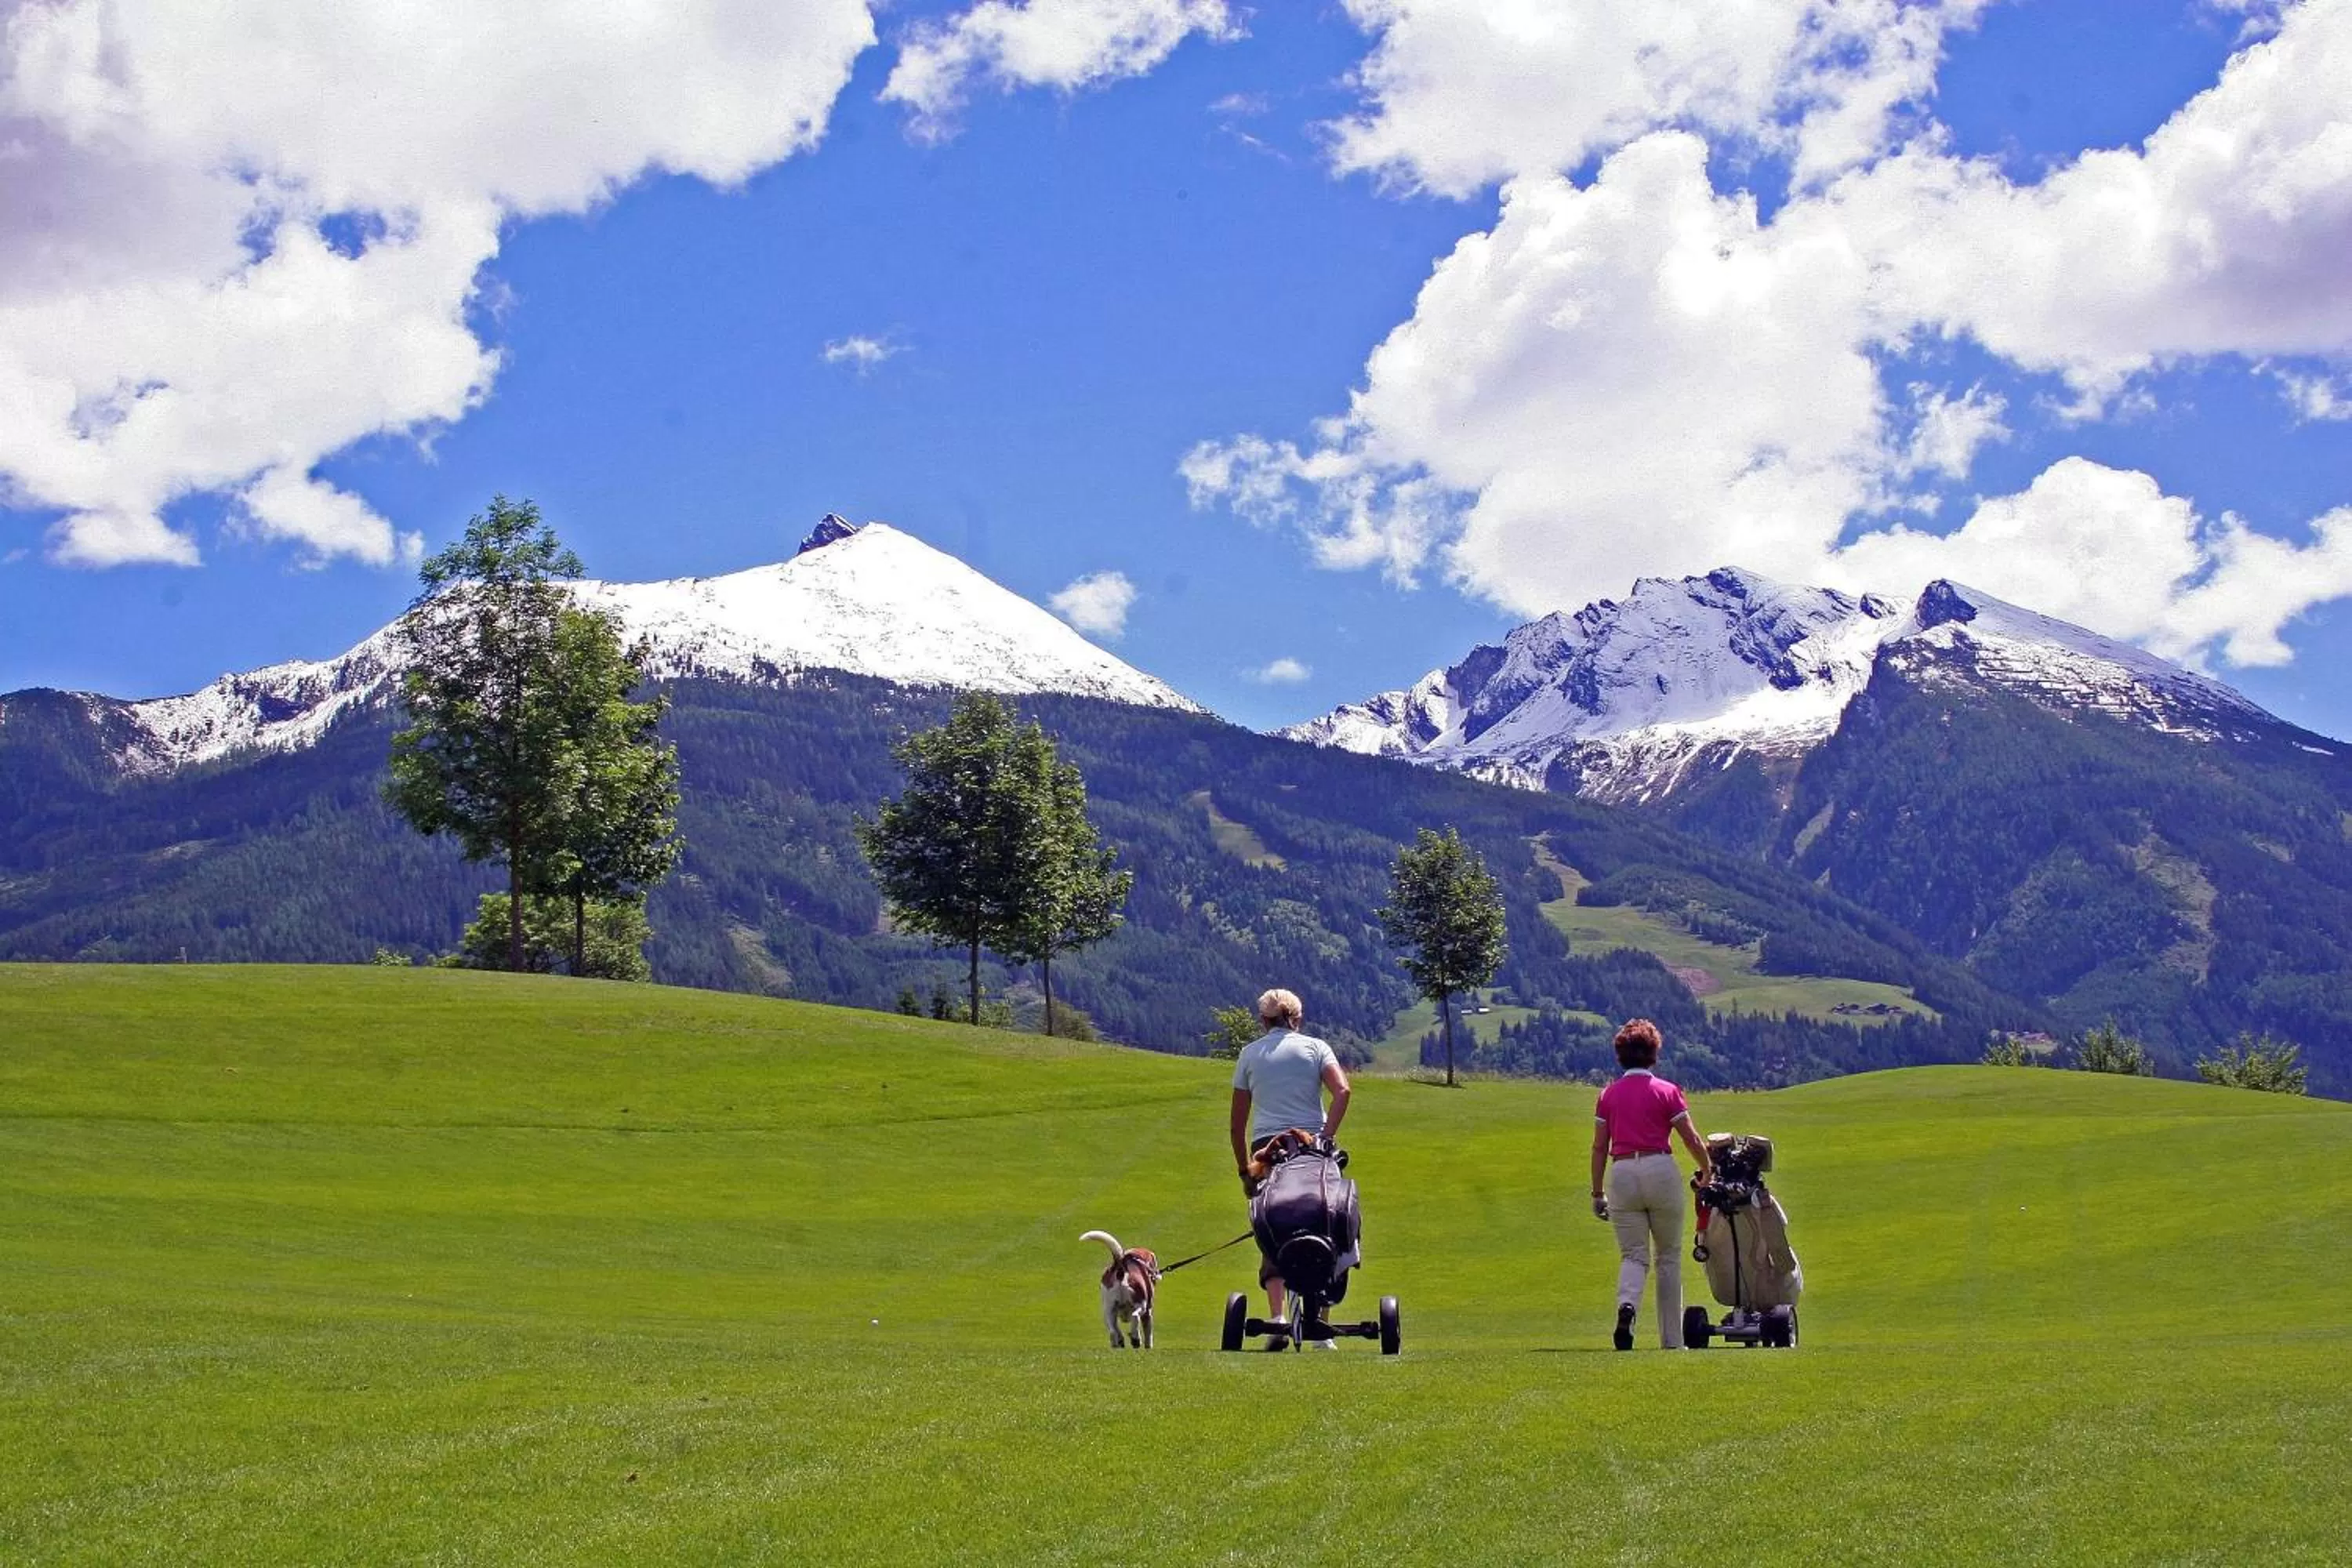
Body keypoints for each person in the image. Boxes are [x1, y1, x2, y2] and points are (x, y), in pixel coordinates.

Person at [1229, 987, 1351, 1348]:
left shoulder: (1250, 1054)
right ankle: (1322, 1328)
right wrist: (1325, 1137)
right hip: (1313, 1148)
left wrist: (1244, 1173)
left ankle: (1278, 1318)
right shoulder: (1316, 1048)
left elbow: (1236, 1126)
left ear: (1263, 1020)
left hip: (1268, 1151)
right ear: (1296, 1017)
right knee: (1329, 1220)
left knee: (1272, 1225)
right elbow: (1342, 1092)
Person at [1590, 1017, 1714, 1350]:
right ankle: (1672, 1340)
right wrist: (1706, 1169)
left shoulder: (1608, 1095)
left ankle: (1627, 1306)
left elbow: (1600, 1146)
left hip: (1622, 1173)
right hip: (1660, 1169)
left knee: (1633, 1255)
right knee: (1668, 1258)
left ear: (1620, 1055)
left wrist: (1597, 1192)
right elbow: (1690, 1138)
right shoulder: (1667, 1091)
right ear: (1654, 1053)